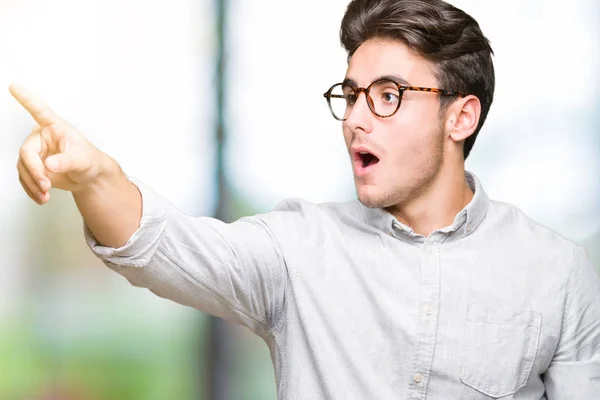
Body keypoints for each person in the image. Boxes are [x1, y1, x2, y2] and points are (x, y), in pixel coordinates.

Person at [11, 0, 600, 398]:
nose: (356, 120)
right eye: (351, 95)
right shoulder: (299, 249)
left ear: (460, 116)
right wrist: (93, 177)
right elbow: (166, 247)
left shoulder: (558, 274)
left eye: (389, 95)